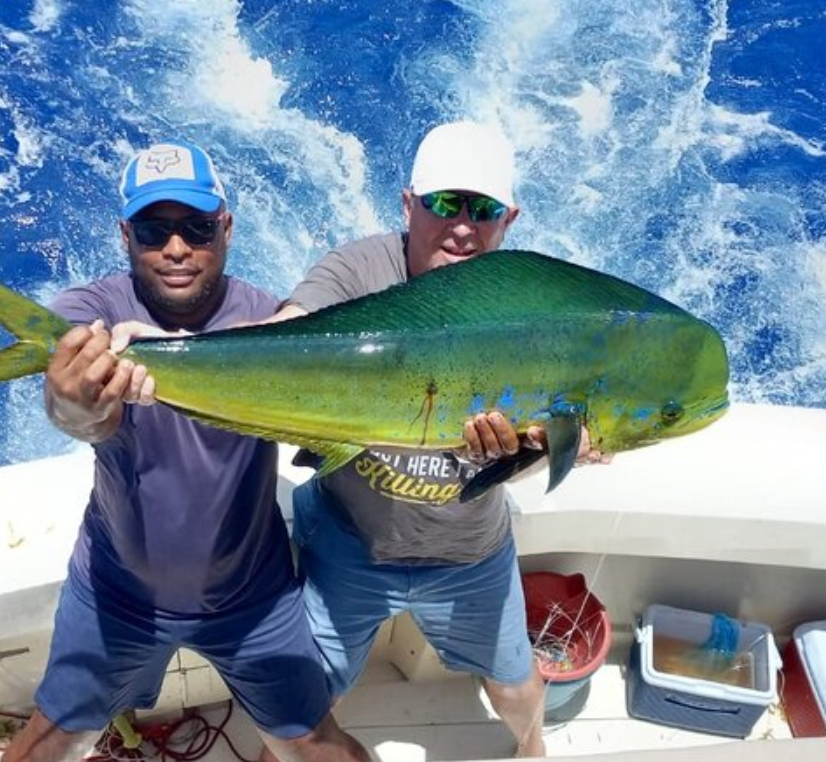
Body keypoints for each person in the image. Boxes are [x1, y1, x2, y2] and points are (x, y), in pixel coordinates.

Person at [1, 140, 368, 762]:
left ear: (225, 226)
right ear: (125, 235)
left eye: (196, 228)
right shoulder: (96, 311)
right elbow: (79, 411)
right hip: (118, 592)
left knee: (311, 738)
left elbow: (320, 372)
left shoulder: (270, 321)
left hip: (252, 595)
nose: (176, 249)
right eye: (154, 229)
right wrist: (78, 396)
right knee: (51, 734)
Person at [256, 121, 606, 759]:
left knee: (519, 689)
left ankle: (533, 753)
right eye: (445, 203)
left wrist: (558, 448)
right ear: (408, 204)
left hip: (469, 554)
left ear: (511, 218)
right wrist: (167, 357)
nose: (464, 225)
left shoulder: (535, 308)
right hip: (349, 544)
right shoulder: (358, 268)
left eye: (484, 209)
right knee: (298, 706)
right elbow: (291, 327)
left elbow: (543, 439)